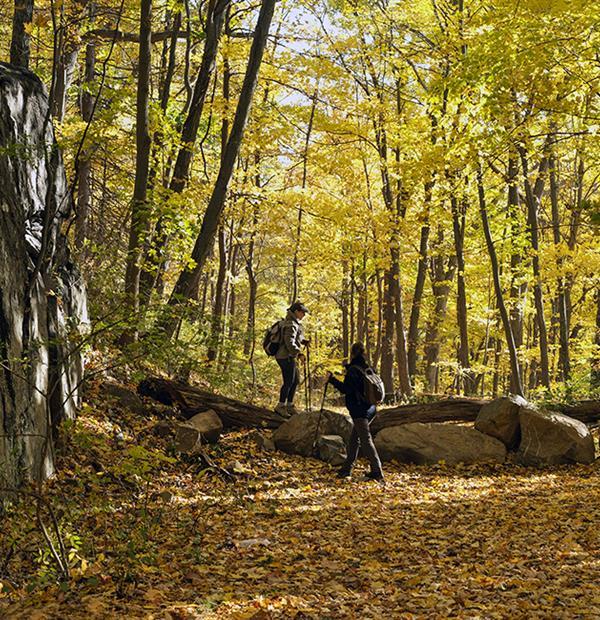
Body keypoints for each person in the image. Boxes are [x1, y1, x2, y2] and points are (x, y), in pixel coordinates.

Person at [327, 342, 384, 482]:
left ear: (352, 353)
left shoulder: (353, 370)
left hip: (360, 410)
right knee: (354, 439)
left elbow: (346, 389)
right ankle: (346, 469)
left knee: (365, 440)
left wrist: (332, 380)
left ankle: (377, 471)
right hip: (370, 408)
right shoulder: (368, 368)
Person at [274, 301, 309, 417]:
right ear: (296, 312)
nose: (304, 315)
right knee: (289, 381)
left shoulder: (293, 323)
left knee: (295, 381)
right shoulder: (291, 324)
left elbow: (293, 338)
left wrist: (303, 341)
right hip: (285, 357)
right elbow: (289, 342)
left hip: (288, 356)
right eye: (302, 312)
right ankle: (280, 406)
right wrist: (299, 354)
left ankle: (289, 405)